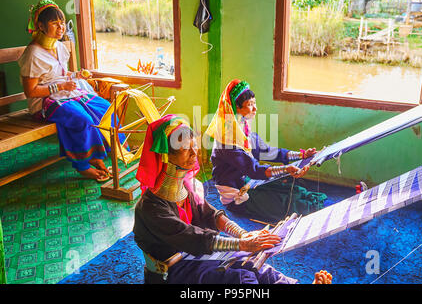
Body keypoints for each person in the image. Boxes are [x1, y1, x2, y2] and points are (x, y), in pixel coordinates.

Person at [133, 115, 331, 284]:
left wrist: (243, 235)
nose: (195, 154)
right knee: (242, 279)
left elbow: (211, 214)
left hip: (198, 251)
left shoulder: (186, 187)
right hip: (173, 270)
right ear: (165, 157)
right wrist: (242, 244)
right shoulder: (151, 207)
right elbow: (191, 236)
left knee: (255, 265)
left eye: (195, 146)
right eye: (186, 149)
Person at [18, 0, 124, 182]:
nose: (60, 27)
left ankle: (97, 157)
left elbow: (61, 73)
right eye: (54, 22)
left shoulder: (59, 46)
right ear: (41, 26)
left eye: (61, 22)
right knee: (81, 118)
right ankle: (83, 166)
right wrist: (60, 86)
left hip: (67, 93)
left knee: (105, 108)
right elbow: (31, 92)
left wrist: (76, 75)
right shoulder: (33, 54)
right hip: (45, 102)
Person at [205, 79, 328, 223]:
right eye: (250, 105)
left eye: (254, 103)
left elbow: (267, 151)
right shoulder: (227, 141)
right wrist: (286, 169)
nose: (255, 108)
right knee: (290, 205)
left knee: (294, 190)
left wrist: (301, 154)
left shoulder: (243, 129)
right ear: (236, 108)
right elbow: (254, 170)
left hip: (249, 182)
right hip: (236, 195)